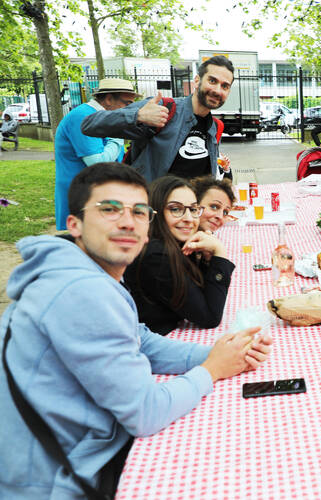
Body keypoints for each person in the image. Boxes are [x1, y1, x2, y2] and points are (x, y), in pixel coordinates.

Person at [0, 163, 271, 498]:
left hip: (80, 448)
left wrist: (221, 354)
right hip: (58, 480)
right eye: (109, 209)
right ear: (75, 224)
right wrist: (212, 369)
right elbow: (145, 412)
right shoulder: (80, 292)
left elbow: (140, 339)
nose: (128, 222)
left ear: (148, 227)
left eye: (139, 211)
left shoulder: (89, 271)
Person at [81, 56, 235, 182]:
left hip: (192, 209)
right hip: (154, 208)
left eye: (225, 86)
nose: (217, 90)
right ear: (197, 81)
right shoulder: (164, 108)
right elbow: (89, 125)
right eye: (212, 81)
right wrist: (138, 116)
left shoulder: (214, 127)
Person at [124, 176, 235, 335]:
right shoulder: (156, 256)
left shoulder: (176, 244)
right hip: (148, 342)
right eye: (175, 209)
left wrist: (207, 259)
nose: (189, 219)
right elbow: (209, 317)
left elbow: (201, 295)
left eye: (193, 209)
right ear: (155, 211)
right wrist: (220, 254)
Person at [54, 78, 138, 229]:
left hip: (96, 190)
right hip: (83, 194)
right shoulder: (83, 116)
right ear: (109, 99)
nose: (129, 110)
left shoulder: (99, 116)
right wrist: (117, 136)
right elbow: (97, 163)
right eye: (127, 104)